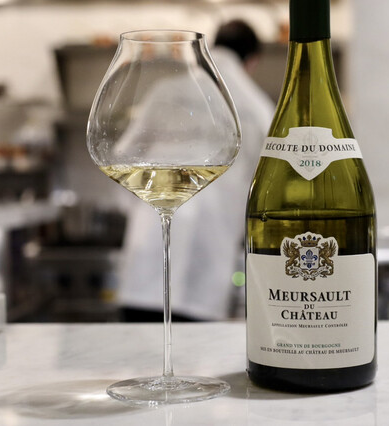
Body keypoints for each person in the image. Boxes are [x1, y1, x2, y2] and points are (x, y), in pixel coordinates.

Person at [117, 20, 274, 321]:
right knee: (194, 342)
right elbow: (266, 189)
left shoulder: (164, 91)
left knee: (139, 337)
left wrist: (136, 211)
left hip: (149, 243)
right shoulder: (259, 109)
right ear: (253, 61)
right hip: (211, 253)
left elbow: (123, 156)